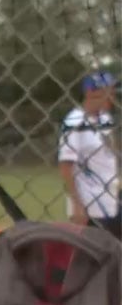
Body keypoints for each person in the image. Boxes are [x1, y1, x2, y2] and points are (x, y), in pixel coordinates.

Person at [57, 69, 120, 238]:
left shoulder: (106, 119)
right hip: (90, 206)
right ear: (91, 93)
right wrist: (77, 205)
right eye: (108, 91)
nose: (112, 95)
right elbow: (65, 165)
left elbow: (109, 155)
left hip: (112, 200)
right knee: (95, 257)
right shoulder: (74, 121)